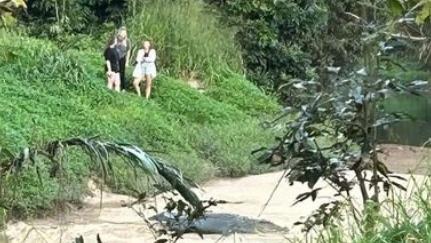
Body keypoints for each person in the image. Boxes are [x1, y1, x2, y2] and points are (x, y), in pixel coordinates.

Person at [116, 27, 132, 91]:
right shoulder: (116, 39)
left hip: (122, 58)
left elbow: (128, 52)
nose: (123, 34)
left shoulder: (127, 41)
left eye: (124, 33)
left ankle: (123, 88)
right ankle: (114, 85)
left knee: (122, 73)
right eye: (122, 32)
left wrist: (127, 62)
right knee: (114, 72)